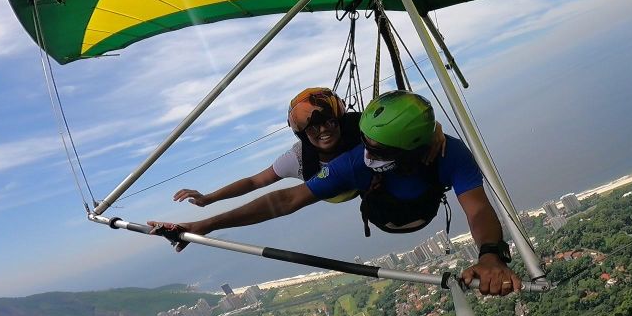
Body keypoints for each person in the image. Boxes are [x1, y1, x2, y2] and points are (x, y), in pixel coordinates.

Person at [149, 91, 522, 296]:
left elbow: (477, 209)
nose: (367, 152)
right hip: (381, 211)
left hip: (420, 201)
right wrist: (206, 223)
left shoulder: (447, 152)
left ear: (412, 147)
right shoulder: (352, 161)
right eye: (365, 143)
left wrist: (490, 255)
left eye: (377, 149)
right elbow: (282, 198)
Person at [172, 87, 445, 207]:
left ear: (339, 120)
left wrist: (434, 130)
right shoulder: (299, 158)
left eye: (329, 123)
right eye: (313, 128)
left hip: (372, 184)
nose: (324, 130)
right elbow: (256, 181)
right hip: (334, 190)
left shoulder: (361, 126)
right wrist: (209, 198)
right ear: (303, 134)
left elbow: (401, 121)